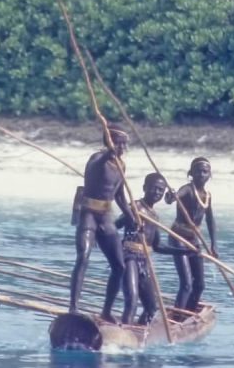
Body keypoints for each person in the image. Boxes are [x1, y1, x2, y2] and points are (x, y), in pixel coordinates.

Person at [69, 122, 133, 323]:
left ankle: (106, 310)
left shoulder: (121, 166)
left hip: (106, 216)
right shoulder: (96, 159)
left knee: (120, 266)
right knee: (84, 257)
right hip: (88, 214)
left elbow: (120, 197)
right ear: (109, 141)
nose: (121, 148)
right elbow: (96, 166)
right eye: (118, 143)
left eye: (124, 144)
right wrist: (108, 153)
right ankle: (73, 307)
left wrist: (132, 216)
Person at [115, 173, 192, 325]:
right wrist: (130, 221)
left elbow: (157, 247)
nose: (157, 193)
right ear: (145, 188)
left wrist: (186, 251)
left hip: (144, 261)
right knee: (132, 299)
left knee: (151, 308)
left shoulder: (154, 216)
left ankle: (140, 334)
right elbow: (114, 226)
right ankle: (124, 333)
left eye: (161, 190)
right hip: (129, 257)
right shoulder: (134, 208)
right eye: (154, 188)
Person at [166, 157, 217, 312]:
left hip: (194, 240)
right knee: (187, 283)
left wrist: (213, 244)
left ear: (209, 175)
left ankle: (188, 312)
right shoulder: (187, 189)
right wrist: (171, 195)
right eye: (198, 171)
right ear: (191, 173)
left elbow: (210, 220)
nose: (201, 174)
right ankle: (176, 318)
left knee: (200, 285)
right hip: (178, 238)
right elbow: (171, 199)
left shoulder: (207, 195)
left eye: (205, 171)